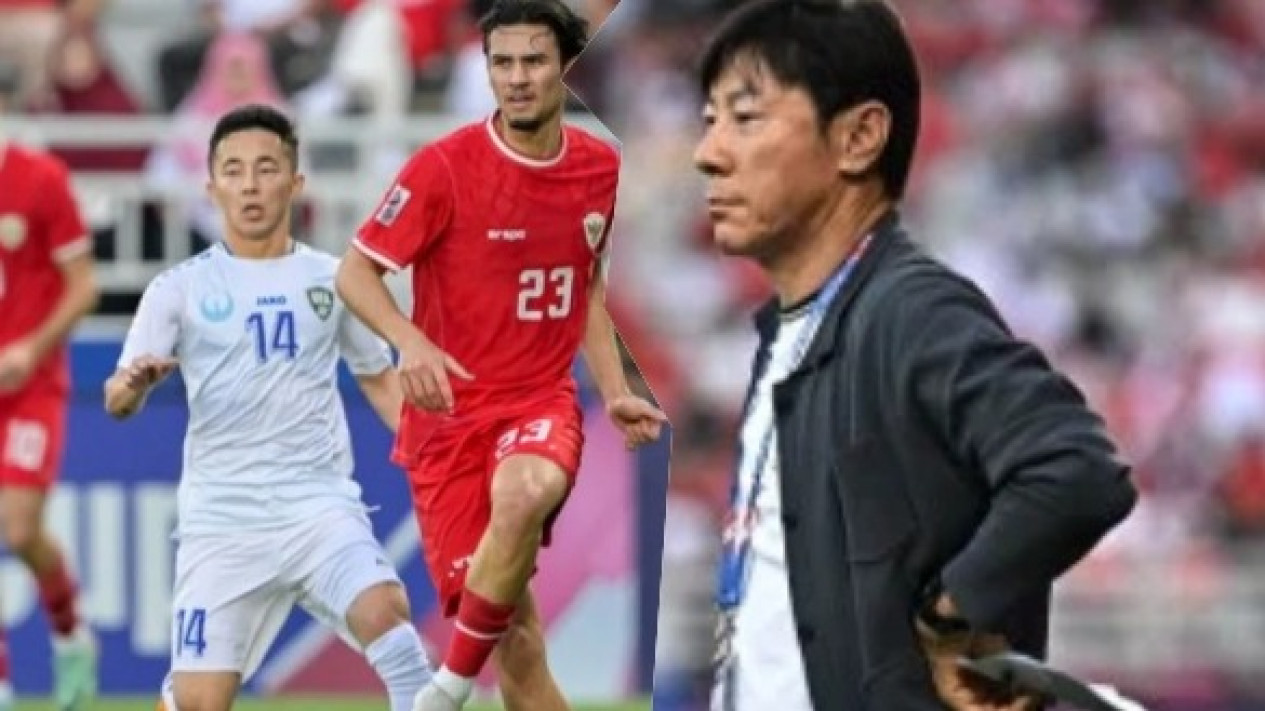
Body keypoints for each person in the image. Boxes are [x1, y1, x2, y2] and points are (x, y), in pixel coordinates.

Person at [691, 2, 1138, 710]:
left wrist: (950, 615)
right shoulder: (789, 333)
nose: (707, 152)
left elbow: (1076, 471)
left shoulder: (909, 312)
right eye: (709, 118)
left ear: (858, 137)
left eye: (745, 118)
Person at [334, 1, 668, 709]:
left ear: (563, 67)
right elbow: (355, 272)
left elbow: (586, 290)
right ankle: (465, 678)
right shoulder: (442, 169)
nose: (517, 78)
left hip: (538, 402)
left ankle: (446, 689)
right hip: (448, 428)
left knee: (526, 489)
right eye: (502, 62)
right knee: (516, 643)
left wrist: (613, 391)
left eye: (533, 61)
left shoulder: (598, 167)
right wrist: (410, 340)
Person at [104, 104, 432, 711]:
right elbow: (115, 400)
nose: (250, 185)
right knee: (199, 703)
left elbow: (379, 380)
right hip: (222, 522)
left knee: (388, 615)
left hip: (317, 507)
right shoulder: (179, 288)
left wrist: (434, 457)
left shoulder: (335, 279)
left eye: (265, 168)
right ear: (212, 188)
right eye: (233, 171)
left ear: (295, 182)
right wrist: (136, 383)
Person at [0, 67, 99, 711]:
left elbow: (84, 285)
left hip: (30, 386)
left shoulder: (39, 178)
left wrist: (30, 348)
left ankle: (69, 633)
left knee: (18, 528)